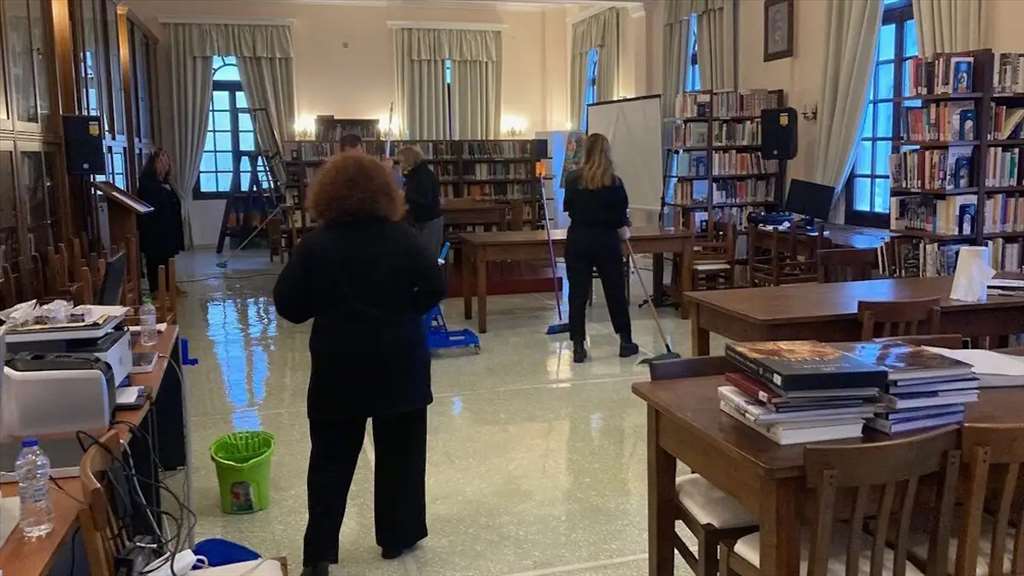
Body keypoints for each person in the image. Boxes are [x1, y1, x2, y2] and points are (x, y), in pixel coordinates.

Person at [273, 155, 445, 576]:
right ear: (385, 192)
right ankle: (396, 537)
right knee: (401, 457)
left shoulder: (315, 244)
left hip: (338, 365)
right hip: (399, 362)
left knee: (329, 462)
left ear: (327, 194)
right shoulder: (403, 237)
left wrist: (325, 305)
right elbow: (437, 285)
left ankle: (318, 554)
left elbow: (289, 305)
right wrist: (404, 310)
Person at [563, 133, 638, 364]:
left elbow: (569, 208)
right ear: (607, 153)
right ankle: (625, 341)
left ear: (586, 152)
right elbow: (620, 215)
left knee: (577, 294)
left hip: (579, 239)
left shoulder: (573, 179)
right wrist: (623, 226)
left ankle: (578, 346)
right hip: (606, 241)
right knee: (615, 291)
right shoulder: (615, 182)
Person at [137, 148, 185, 293]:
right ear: (153, 163)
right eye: (161, 161)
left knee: (168, 257)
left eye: (166, 161)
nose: (165, 164)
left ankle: (170, 284)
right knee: (155, 259)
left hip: (168, 227)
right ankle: (157, 289)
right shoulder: (147, 183)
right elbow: (152, 204)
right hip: (154, 229)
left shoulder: (165, 182)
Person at [398, 146, 443, 257]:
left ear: (409, 159)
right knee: (421, 254)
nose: (400, 165)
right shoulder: (414, 173)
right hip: (420, 219)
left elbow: (425, 200)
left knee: (429, 255)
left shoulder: (423, 175)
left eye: (402, 161)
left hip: (429, 220)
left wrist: (405, 195)